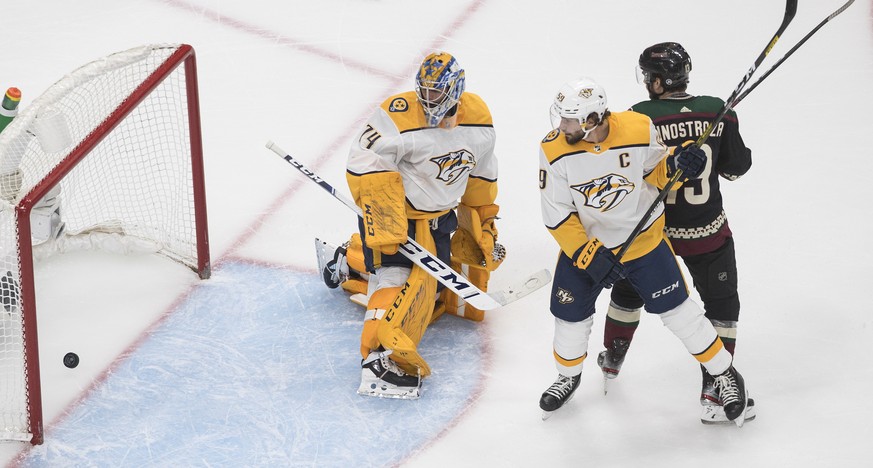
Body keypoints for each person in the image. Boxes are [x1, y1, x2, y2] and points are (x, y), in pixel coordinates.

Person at [537, 76, 750, 426]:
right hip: (585, 249)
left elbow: (656, 171)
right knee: (569, 318)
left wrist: (680, 164)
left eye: (570, 119)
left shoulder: (637, 127)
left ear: (593, 121)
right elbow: (557, 214)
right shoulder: (553, 149)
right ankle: (568, 376)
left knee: (680, 313)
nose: (561, 126)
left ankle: (725, 374)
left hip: (643, 244)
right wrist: (588, 254)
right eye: (560, 117)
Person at [317, 52, 503, 399]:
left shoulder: (479, 120)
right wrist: (386, 218)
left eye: (437, 93)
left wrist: (483, 220)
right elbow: (363, 161)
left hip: (438, 219)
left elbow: (480, 173)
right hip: (394, 216)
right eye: (425, 92)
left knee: (430, 295)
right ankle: (377, 359)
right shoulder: (398, 113)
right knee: (397, 280)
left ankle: (349, 261)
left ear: (456, 90)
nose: (428, 100)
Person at [597, 42, 754, 424]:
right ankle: (714, 390)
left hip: (654, 233)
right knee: (721, 306)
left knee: (631, 288)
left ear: (656, 81)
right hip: (707, 231)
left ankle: (613, 355)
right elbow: (736, 169)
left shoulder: (637, 117)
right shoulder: (718, 109)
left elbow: (626, 174)